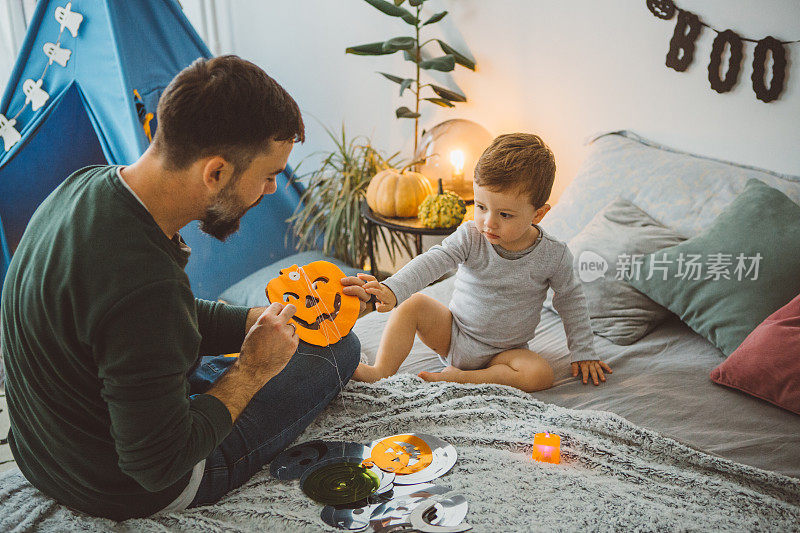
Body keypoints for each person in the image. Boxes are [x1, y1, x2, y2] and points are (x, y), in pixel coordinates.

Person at [0, 55, 378, 521]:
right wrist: (250, 373)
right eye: (267, 176)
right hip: (131, 484)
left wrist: (271, 317)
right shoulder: (142, 287)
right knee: (337, 351)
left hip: (46, 454)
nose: (269, 189)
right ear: (215, 172)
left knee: (285, 345)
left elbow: (157, 324)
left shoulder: (84, 186)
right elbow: (156, 466)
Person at [351, 133, 612, 392]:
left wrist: (583, 351)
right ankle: (380, 371)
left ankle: (461, 378)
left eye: (505, 214)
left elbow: (571, 299)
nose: (489, 222)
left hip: (505, 353)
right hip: (453, 335)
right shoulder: (470, 236)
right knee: (413, 304)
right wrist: (393, 289)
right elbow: (433, 261)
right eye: (481, 206)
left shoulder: (553, 255)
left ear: (539, 214)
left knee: (540, 374)